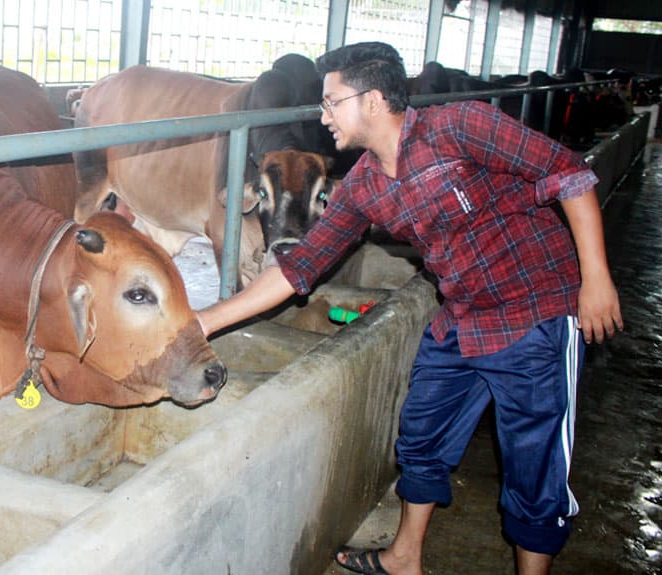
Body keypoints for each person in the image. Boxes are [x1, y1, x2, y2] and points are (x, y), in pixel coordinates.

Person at [196, 42, 623, 575]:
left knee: (533, 466)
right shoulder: (365, 185)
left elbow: (568, 173)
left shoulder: (462, 126)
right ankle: (403, 556)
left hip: (533, 310)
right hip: (462, 314)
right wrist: (204, 321)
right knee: (420, 433)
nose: (322, 116)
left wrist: (596, 278)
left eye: (331, 102)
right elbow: (298, 266)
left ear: (371, 100)